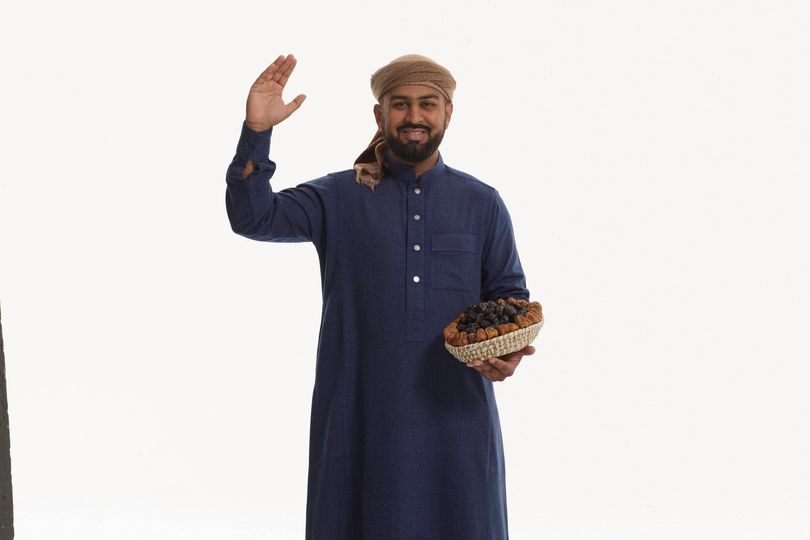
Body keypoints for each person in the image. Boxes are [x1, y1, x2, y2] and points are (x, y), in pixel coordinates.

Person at [226, 53, 536, 540]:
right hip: (359, 416)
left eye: (427, 104)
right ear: (380, 114)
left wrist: (506, 353)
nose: (414, 116)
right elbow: (253, 217)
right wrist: (257, 131)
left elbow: (509, 299)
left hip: (456, 419)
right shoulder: (338, 196)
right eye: (400, 104)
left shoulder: (481, 203)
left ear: (448, 113)